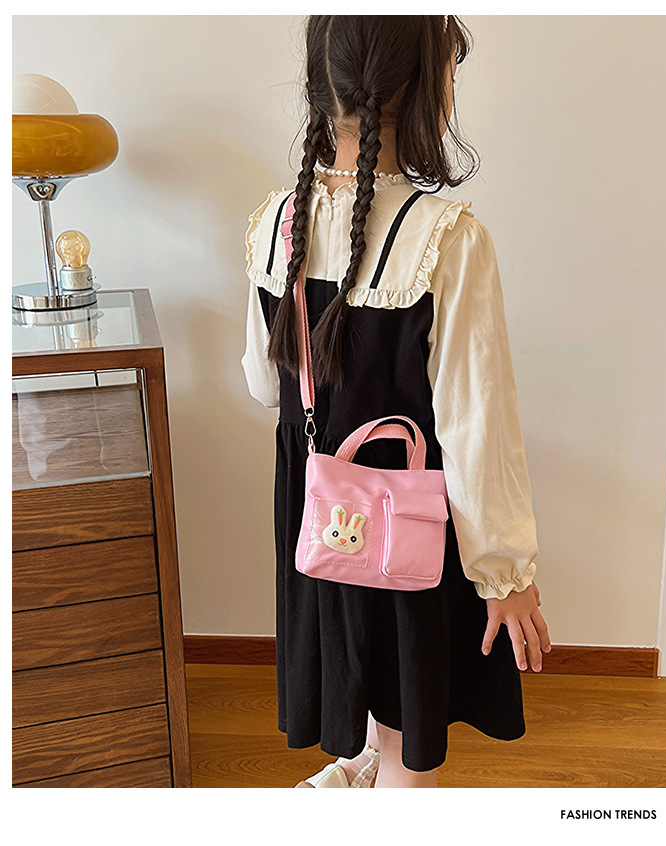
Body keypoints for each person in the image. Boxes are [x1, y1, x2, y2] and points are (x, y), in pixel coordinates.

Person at [241, 15, 551, 789]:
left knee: (362, 692)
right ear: (420, 93)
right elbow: (477, 426)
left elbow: (262, 383)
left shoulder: (275, 222)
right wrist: (506, 574)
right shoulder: (447, 238)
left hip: (318, 518)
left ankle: (354, 773)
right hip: (409, 526)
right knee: (412, 749)